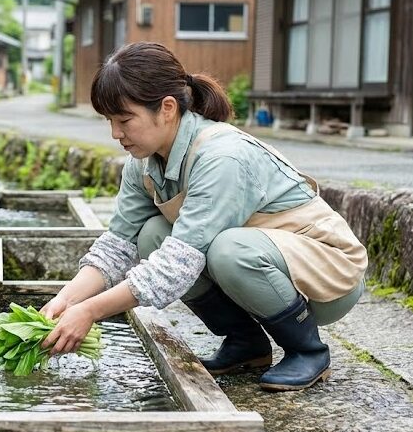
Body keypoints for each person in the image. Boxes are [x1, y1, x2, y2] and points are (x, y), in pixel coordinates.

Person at [40, 42, 368, 391]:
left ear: (167, 108)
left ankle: (307, 350)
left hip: (327, 275)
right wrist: (68, 299)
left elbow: (176, 266)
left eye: (124, 120)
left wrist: (91, 312)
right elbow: (118, 245)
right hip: (268, 265)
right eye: (109, 121)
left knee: (228, 249)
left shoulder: (221, 157)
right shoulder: (144, 164)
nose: (115, 134)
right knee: (152, 234)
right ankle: (246, 344)